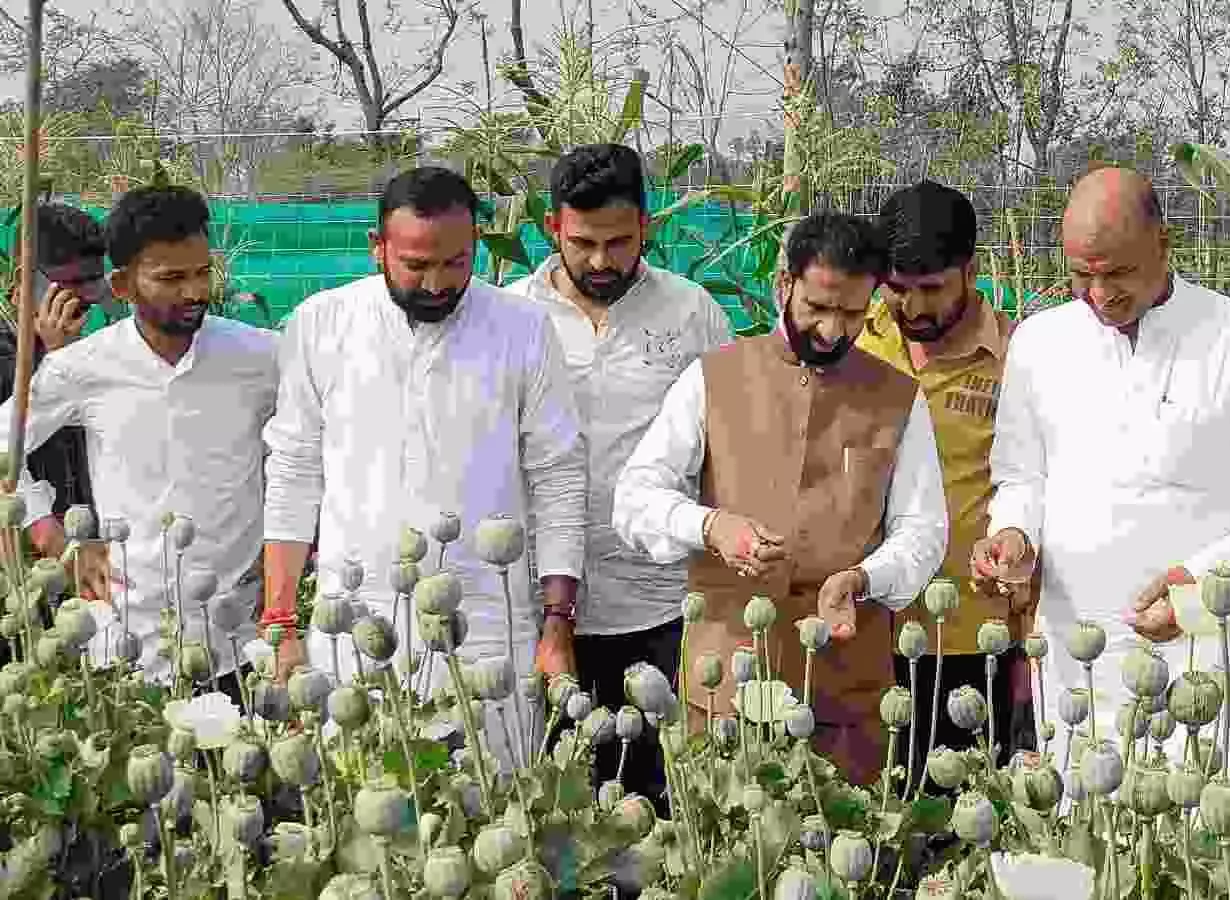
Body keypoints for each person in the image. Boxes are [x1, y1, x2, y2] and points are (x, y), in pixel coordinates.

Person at [972, 166, 1230, 780]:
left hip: (1209, 663)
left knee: (1208, 831)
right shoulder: (1039, 343)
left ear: (1164, 245)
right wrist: (1013, 534)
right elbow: (1021, 477)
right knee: (1083, 827)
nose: (1099, 294)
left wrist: (1200, 590)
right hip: (1079, 662)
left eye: (1117, 273)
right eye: (1081, 274)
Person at [260, 167, 587, 765]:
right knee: (366, 803)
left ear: (476, 244)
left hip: (487, 621)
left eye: (456, 263)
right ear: (377, 247)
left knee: (497, 802)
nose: (437, 283)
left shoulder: (522, 328)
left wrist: (557, 623)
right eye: (415, 265)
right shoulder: (322, 323)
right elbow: (294, 470)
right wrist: (280, 621)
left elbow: (558, 476)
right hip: (354, 616)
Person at [611, 211, 948, 786]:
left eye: (852, 314)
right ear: (784, 284)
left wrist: (862, 578)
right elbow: (635, 497)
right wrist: (711, 527)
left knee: (845, 837)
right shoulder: (712, 377)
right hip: (725, 681)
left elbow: (923, 530)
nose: (833, 331)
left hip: (846, 687)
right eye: (818, 307)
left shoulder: (898, 397)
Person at [507, 143, 732, 811]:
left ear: (646, 227)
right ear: (552, 227)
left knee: (661, 800)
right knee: (560, 802)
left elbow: (725, 449)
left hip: (661, 605)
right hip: (541, 609)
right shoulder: (513, 317)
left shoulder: (692, 313)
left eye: (618, 242)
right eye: (583, 243)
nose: (601, 261)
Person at [0, 185, 277, 698]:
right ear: (122, 285)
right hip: (129, 643)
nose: (194, 292)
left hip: (240, 641)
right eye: (171, 278)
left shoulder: (261, 357)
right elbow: (3, 445)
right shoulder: (83, 367)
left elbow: (312, 444)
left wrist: (284, 558)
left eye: (202, 273)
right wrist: (54, 539)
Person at [855, 180, 1035, 776]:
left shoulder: (1016, 358)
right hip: (860, 625)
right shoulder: (855, 338)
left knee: (961, 806)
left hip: (968, 637)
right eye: (898, 288)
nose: (912, 308)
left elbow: (1031, 487)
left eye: (931, 288)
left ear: (971, 272)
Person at [0, 204, 112, 535]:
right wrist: (58, 360)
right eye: (72, 284)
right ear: (26, 281)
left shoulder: (86, 351)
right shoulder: (8, 357)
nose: (87, 299)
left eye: (94, 281)